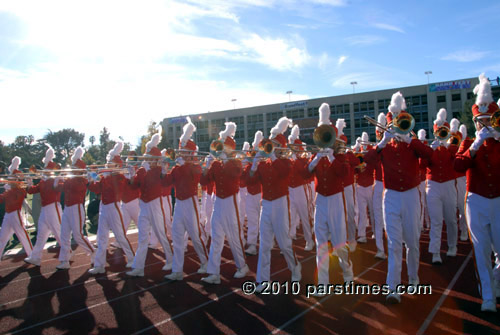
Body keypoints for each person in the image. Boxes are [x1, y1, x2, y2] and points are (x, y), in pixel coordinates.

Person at [364, 91, 433, 303]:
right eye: (393, 121)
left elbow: (430, 157)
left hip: (411, 196)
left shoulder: (411, 143)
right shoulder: (384, 146)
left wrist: (411, 140)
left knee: (412, 241)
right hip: (391, 196)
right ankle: (392, 287)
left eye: (399, 121)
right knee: (393, 243)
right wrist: (382, 143)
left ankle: (413, 278)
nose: (396, 125)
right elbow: (367, 162)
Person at [454, 73, 500, 312]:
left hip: (499, 200)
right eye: (480, 121)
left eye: (488, 120)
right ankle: (488, 296)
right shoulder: (468, 142)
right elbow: (458, 166)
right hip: (476, 200)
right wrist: (475, 144)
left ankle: (496, 279)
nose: (484, 125)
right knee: (480, 250)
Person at [247, 117, 301, 292]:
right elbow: (250, 182)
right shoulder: (264, 163)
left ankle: (295, 267)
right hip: (266, 205)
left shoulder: (285, 162)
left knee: (284, 243)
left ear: (281, 147)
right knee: (264, 244)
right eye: (271, 144)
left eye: (275, 145)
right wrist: (254, 167)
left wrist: (273, 157)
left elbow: (285, 173)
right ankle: (263, 281)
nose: (272, 147)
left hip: (280, 203)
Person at [303, 103, 353, 294]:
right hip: (320, 200)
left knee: (340, 244)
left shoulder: (339, 153)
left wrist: (331, 157)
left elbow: (344, 172)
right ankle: (322, 285)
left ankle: (348, 274)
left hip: (335, 200)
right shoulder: (317, 155)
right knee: (321, 244)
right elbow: (304, 174)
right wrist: (316, 159)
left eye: (327, 136)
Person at [200, 121, 249, 284]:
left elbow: (236, 174)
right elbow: (204, 181)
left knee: (234, 235)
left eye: (223, 146)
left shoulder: (235, 162)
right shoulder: (216, 163)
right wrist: (206, 168)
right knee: (216, 236)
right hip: (218, 202)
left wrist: (225, 160)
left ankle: (242, 266)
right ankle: (214, 273)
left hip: (231, 201)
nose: (220, 149)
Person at [164, 117, 209, 281]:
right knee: (176, 236)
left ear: (191, 153)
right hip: (179, 204)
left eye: (184, 151)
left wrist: (184, 165)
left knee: (195, 236)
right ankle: (177, 270)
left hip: (190, 203)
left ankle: (206, 262)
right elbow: (166, 183)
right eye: (180, 150)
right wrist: (164, 170)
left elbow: (196, 176)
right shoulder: (177, 167)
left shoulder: (195, 166)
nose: (180, 153)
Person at [126, 127, 174, 277]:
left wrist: (145, 172)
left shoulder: (158, 170)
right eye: (146, 157)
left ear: (155, 159)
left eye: (149, 157)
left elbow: (156, 184)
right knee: (142, 237)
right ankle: (138, 267)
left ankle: (172, 260)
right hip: (144, 205)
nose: (146, 159)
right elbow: (134, 187)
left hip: (154, 204)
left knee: (160, 233)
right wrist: (132, 175)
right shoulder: (142, 169)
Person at [88, 142, 135, 274]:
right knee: (102, 237)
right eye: (108, 162)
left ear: (116, 166)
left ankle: (132, 258)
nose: (107, 165)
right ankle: (99, 265)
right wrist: (91, 179)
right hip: (103, 207)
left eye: (110, 163)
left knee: (120, 236)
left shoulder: (120, 177)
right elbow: (97, 189)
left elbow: (112, 188)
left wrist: (99, 176)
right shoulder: (106, 177)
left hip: (114, 207)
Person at [425, 110, 459, 265]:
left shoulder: (452, 146)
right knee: (436, 220)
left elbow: (457, 159)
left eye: (443, 131)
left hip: (449, 184)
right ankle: (435, 251)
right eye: (438, 131)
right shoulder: (430, 147)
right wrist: (430, 149)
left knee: (451, 219)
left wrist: (447, 145)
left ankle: (452, 245)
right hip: (432, 184)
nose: (440, 133)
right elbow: (421, 165)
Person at [55, 147, 95, 270]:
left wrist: (63, 178)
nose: (72, 170)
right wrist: (56, 181)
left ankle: (94, 252)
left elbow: (73, 187)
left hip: (76, 208)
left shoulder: (81, 180)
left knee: (78, 235)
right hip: (67, 208)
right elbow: (59, 189)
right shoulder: (71, 179)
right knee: (64, 235)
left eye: (75, 168)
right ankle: (65, 260)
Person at [24, 145, 63, 266]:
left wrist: (57, 180)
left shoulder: (55, 179)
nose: (44, 171)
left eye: (46, 169)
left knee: (59, 233)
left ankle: (67, 253)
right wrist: (28, 184)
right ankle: (35, 257)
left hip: (53, 208)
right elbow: (33, 191)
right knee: (41, 234)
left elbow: (60, 188)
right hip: (45, 209)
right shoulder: (43, 181)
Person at [288, 125, 315, 251]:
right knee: (290, 216)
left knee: (305, 216)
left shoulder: (302, 159)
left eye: (294, 148)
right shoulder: (287, 159)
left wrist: (296, 159)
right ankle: (291, 235)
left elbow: (304, 171)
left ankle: (309, 240)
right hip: (290, 190)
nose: (292, 150)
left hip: (300, 189)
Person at [0, 157, 33, 260]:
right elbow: (1, 199)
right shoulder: (10, 189)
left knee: (23, 236)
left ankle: (32, 255)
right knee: (2, 238)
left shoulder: (20, 190)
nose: (9, 179)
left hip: (15, 214)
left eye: (12, 178)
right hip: (8, 215)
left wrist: (9, 190)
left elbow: (18, 198)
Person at [242, 131, 263, 256]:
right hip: (250, 195)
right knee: (252, 221)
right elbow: (244, 181)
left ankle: (269, 241)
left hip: (262, 195)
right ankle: (252, 245)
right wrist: (250, 166)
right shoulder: (249, 166)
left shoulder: (265, 165)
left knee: (265, 222)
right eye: (253, 153)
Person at [370, 113, 388, 259]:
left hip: (390, 186)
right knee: (377, 216)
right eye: (378, 134)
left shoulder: (392, 146)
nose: (380, 136)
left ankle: (397, 240)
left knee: (391, 216)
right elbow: (368, 159)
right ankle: (380, 248)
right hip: (378, 184)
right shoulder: (377, 148)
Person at [354, 133, 375, 245]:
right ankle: (362, 235)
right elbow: (354, 167)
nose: (365, 142)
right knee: (362, 212)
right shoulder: (358, 153)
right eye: (363, 141)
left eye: (366, 140)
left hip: (370, 185)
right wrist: (356, 149)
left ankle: (376, 232)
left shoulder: (371, 151)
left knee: (373, 211)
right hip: (360, 185)